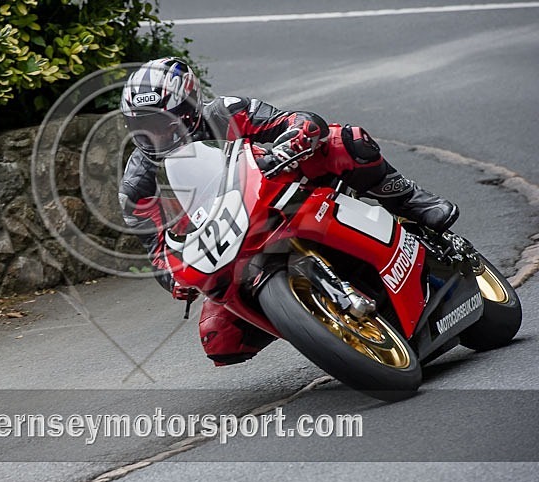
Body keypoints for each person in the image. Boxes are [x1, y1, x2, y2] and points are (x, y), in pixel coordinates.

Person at [118, 57, 458, 366]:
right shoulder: (137, 183)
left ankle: (411, 199)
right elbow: (157, 250)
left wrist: (293, 141)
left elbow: (296, 120)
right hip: (225, 243)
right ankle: (314, 325)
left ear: (189, 108)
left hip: (277, 194)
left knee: (344, 140)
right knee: (219, 339)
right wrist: (175, 278)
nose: (155, 134)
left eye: (162, 122)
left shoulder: (226, 111)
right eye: (143, 126)